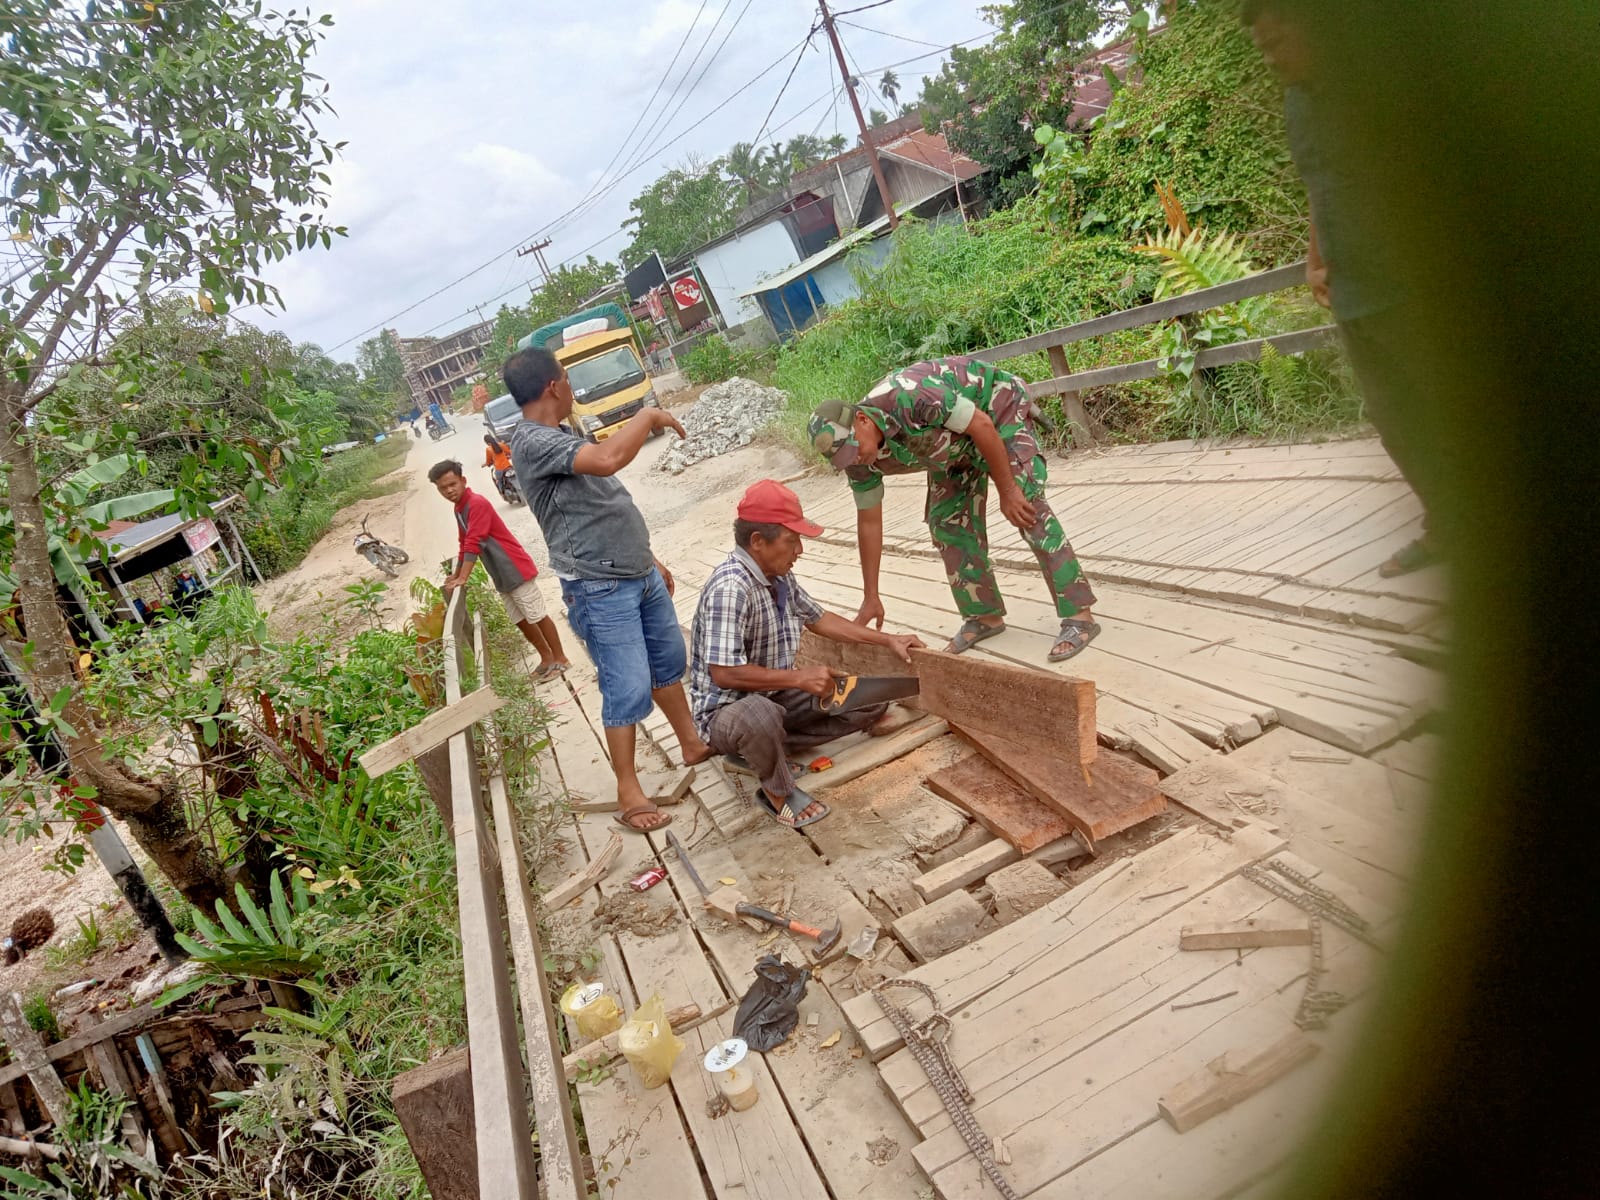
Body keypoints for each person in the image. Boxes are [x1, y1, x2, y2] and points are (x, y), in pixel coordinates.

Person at [1244, 0, 1443, 577]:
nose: (1271, 56)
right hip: (1354, 289)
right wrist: (1314, 258)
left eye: (1276, 42)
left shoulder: (1376, 86)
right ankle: (1445, 525)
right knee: (1393, 418)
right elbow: (1319, 184)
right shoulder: (1297, 103)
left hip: (1409, 285)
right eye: (1262, 47)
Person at [504, 345, 711, 834]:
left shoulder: (559, 432)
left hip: (636, 573)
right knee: (627, 685)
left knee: (666, 664)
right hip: (598, 587)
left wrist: (649, 557)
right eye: (567, 377)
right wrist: (649, 414)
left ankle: (691, 742)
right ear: (553, 385)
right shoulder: (531, 441)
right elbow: (609, 460)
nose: (570, 385)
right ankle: (628, 790)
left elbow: (603, 500)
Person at [808, 356, 1098, 663]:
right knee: (946, 522)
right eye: (844, 460)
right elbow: (868, 522)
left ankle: (1080, 617)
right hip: (954, 446)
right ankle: (984, 616)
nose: (854, 460)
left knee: (1027, 508)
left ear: (863, 421)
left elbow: (982, 425)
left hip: (996, 412)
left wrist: (1008, 490)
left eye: (854, 451)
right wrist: (871, 595)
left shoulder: (909, 396)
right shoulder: (857, 459)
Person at [690, 480, 924, 828]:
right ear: (757, 541)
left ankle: (761, 752)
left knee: (864, 696)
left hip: (774, 696)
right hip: (729, 712)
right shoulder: (731, 588)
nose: (799, 549)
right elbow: (724, 673)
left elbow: (820, 619)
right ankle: (777, 791)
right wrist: (798, 677)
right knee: (759, 715)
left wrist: (887, 639)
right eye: (791, 540)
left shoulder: (778, 576)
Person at [429, 459, 570, 681]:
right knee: (520, 620)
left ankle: (560, 658)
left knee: (536, 615)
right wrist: (456, 574)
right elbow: (463, 541)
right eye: (443, 488)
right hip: (501, 574)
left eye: (452, 484)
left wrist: (463, 577)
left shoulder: (476, 503)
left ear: (463, 481)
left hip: (515, 567)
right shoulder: (459, 509)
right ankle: (546, 658)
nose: (449, 490)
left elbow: (474, 541)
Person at [484, 433, 513, 499]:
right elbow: (509, 452)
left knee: (499, 480)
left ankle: (502, 493)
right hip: (508, 466)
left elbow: (488, 461)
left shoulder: (488, 449)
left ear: (487, 443)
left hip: (499, 469)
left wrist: (487, 464)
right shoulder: (501, 444)